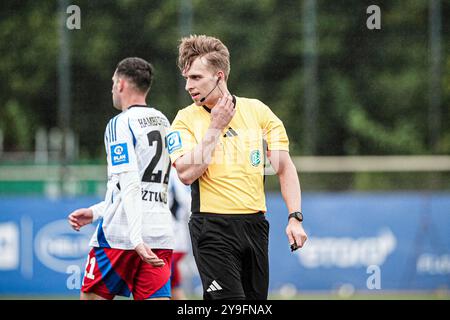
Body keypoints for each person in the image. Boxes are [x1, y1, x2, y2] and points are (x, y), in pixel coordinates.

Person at [167, 35, 308, 300]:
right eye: (186, 78)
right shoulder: (184, 119)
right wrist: (215, 128)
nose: (188, 86)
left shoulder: (258, 112)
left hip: (255, 226)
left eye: (196, 78)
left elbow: (284, 168)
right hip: (211, 227)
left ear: (219, 76)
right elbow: (186, 174)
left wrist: (295, 217)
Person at [68, 57, 173, 300]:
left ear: (122, 84)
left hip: (121, 236)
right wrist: (95, 212)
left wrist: (135, 238)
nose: (112, 88)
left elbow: (131, 183)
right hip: (159, 234)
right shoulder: (164, 122)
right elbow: (144, 188)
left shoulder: (120, 123)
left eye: (113, 82)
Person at [168, 169, 192, 300]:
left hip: (171, 241)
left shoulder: (173, 173)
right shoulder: (177, 172)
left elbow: (185, 203)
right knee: (173, 287)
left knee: (159, 285)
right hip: (175, 239)